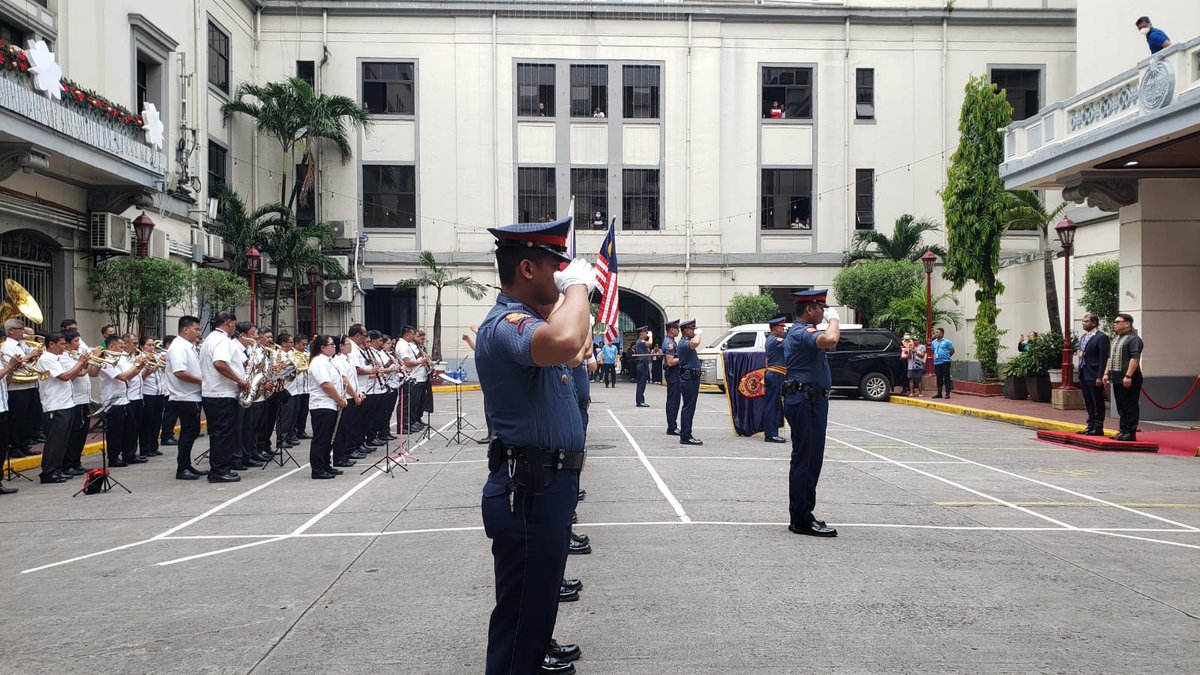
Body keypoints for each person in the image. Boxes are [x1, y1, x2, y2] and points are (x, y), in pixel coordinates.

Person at [476, 217, 592, 675]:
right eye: (554, 267)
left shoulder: (531, 322)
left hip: (547, 487)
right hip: (529, 490)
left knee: (536, 614)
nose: (561, 276)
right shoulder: (506, 325)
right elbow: (567, 339)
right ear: (527, 268)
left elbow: (575, 340)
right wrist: (578, 287)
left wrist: (568, 294)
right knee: (521, 622)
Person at [783, 289, 840, 538]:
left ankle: (803, 514)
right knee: (806, 459)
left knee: (811, 459)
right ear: (809, 310)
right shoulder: (800, 331)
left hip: (812, 400)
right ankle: (801, 519)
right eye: (821, 308)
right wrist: (835, 320)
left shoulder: (804, 331)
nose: (824, 312)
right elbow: (830, 340)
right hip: (805, 400)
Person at [36, 332, 92, 483]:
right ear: (51, 344)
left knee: (63, 441)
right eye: (61, 344)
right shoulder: (47, 359)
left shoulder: (58, 358)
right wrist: (80, 362)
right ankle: (48, 472)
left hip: (66, 403)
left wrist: (83, 363)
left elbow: (74, 374)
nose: (64, 347)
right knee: (54, 441)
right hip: (55, 405)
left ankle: (58, 469)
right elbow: (65, 376)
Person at [200, 311, 248, 483]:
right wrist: (239, 380)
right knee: (224, 434)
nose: (234, 327)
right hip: (222, 394)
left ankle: (218, 468)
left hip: (213, 393)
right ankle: (220, 471)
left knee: (218, 434)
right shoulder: (222, 340)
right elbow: (219, 363)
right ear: (229, 323)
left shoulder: (210, 339)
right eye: (234, 324)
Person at [166, 316, 206, 480]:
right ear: (185, 329)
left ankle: (186, 464)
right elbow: (180, 372)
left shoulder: (187, 346)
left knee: (192, 431)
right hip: (184, 396)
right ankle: (182, 468)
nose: (198, 333)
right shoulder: (178, 347)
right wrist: (203, 381)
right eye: (196, 329)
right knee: (188, 433)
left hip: (191, 395)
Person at [3, 318, 42, 459]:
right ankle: (15, 446)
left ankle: (25, 444)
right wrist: (30, 355)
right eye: (20, 329)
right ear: (11, 331)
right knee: (17, 419)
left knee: (29, 418)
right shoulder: (7, 346)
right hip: (17, 387)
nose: (23, 331)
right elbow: (13, 364)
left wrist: (36, 354)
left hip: (30, 384)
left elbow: (31, 360)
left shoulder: (23, 344)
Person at [307, 335, 345, 479]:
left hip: (331, 404)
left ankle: (326, 465)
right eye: (331, 345)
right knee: (321, 438)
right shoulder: (318, 362)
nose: (334, 347)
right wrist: (339, 399)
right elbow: (326, 384)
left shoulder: (330, 361)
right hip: (322, 404)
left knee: (329, 438)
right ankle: (317, 469)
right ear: (322, 348)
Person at [1102, 313, 1143, 442]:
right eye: (1114, 322)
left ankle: (1131, 432)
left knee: (1130, 405)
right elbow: (1110, 358)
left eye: (1118, 322)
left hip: (1129, 378)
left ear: (1127, 324)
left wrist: (1128, 375)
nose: (1115, 324)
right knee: (1121, 405)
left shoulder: (1133, 339)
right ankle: (1123, 430)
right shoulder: (1116, 338)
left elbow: (1135, 358)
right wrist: (1106, 373)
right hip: (1116, 377)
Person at [1076, 313, 1111, 437]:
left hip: (1094, 374)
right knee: (1089, 401)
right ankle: (1090, 425)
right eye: (1083, 321)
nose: (1083, 323)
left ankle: (1098, 426)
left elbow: (1104, 358)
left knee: (1097, 400)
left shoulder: (1101, 337)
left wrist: (1100, 376)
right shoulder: (1083, 337)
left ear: (1094, 323)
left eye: (1086, 321)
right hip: (1084, 372)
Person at [138, 336, 167, 459]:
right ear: (141, 347)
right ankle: (145, 448)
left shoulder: (156, 357)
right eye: (148, 345)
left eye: (152, 345)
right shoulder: (139, 359)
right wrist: (152, 366)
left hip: (160, 392)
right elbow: (142, 376)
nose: (151, 348)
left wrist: (163, 362)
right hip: (148, 392)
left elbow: (165, 371)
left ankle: (154, 446)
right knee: (147, 422)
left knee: (156, 421)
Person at [762, 316, 789, 443]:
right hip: (775, 375)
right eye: (782, 328)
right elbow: (790, 343)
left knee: (773, 405)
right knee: (772, 405)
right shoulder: (775, 340)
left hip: (776, 375)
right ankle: (770, 434)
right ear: (776, 328)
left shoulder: (772, 339)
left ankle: (772, 432)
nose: (783, 330)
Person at [676, 319, 703, 446]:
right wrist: (699, 333)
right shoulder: (684, 343)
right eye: (692, 329)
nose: (694, 331)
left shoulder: (685, 342)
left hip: (691, 378)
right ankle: (686, 435)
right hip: (689, 378)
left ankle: (686, 434)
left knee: (689, 407)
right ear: (686, 331)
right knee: (688, 407)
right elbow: (696, 342)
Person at [661, 320, 681, 435]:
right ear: (671, 329)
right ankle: (672, 427)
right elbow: (670, 362)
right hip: (673, 373)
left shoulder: (671, 341)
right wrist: (684, 358)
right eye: (677, 328)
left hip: (674, 373)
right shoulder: (670, 343)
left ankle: (672, 425)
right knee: (673, 400)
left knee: (674, 400)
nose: (678, 330)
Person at [930, 327, 955, 399]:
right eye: (936, 332)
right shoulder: (933, 342)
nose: (936, 334)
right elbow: (933, 351)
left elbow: (952, 350)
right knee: (939, 378)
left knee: (946, 377)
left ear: (942, 333)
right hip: (937, 362)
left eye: (937, 332)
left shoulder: (947, 342)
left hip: (945, 362)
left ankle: (947, 393)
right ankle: (939, 393)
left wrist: (947, 356)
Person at [633, 326, 651, 407]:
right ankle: (640, 401)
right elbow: (650, 343)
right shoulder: (640, 341)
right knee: (641, 384)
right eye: (646, 333)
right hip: (642, 364)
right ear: (642, 333)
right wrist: (651, 336)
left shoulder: (642, 341)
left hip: (644, 364)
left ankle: (640, 400)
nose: (647, 334)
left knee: (642, 384)